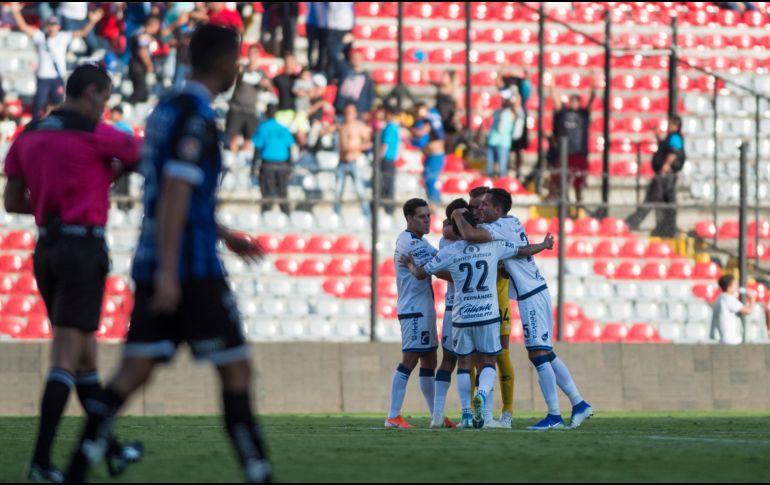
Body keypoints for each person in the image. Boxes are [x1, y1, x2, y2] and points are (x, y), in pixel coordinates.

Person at [65, 25, 272, 484]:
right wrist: (172, 275)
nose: (237, 68)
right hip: (188, 268)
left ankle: (75, 470)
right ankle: (260, 473)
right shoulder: (195, 116)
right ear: (223, 63)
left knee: (132, 373)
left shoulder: (163, 110)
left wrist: (224, 234)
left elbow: (170, 194)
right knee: (236, 371)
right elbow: (177, 190)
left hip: (159, 258)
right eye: (235, 59)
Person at [3, 64, 143, 482]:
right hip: (83, 249)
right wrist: (106, 179)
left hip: (46, 248)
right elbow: (142, 154)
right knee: (67, 356)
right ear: (92, 93)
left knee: (84, 360)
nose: (105, 107)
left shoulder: (29, 135)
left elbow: (12, 201)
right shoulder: (96, 134)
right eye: (104, 98)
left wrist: (54, 203)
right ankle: (42, 463)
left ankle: (113, 449)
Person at [452, 189, 593, 431]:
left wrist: (456, 215)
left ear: (498, 210)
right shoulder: (512, 221)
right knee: (546, 353)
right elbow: (513, 260)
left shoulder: (499, 226)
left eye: (485, 206)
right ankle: (579, 404)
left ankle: (554, 415)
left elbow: (469, 234)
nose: (481, 209)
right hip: (536, 291)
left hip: (530, 296)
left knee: (537, 354)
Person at [404, 203, 552, 429]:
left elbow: (423, 272)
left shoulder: (450, 250)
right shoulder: (493, 246)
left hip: (461, 316)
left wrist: (409, 265)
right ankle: (482, 394)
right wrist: (544, 244)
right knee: (489, 361)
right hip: (488, 315)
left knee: (463, 363)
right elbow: (522, 251)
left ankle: (465, 415)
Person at [385, 198, 438, 429]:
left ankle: (436, 416)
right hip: (414, 310)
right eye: (422, 216)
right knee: (411, 358)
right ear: (409, 218)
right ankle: (393, 416)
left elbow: (439, 258)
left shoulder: (421, 242)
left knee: (429, 360)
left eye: (428, 216)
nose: (427, 220)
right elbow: (438, 264)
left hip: (423, 308)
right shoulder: (409, 243)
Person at [466, 187, 515, 428]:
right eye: (472, 207)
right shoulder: (466, 232)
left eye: (480, 206)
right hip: (477, 306)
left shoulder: (497, 230)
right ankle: (481, 413)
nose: (477, 211)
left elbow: (508, 266)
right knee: (476, 359)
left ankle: (506, 413)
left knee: (501, 356)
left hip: (500, 301)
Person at [10, 3, 104, 120]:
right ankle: (36, 127)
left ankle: (56, 126)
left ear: (58, 27)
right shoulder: (40, 36)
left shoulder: (63, 37)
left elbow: (83, 32)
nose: (52, 27)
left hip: (57, 77)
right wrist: (15, 12)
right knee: (39, 105)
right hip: (43, 77)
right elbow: (24, 27)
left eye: (54, 25)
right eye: (50, 24)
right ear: (46, 26)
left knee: (59, 104)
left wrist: (92, 22)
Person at [626, 116, 686, 237]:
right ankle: (662, 228)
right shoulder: (671, 137)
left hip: (665, 177)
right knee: (660, 202)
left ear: (676, 125)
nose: (669, 126)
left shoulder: (675, 137)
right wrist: (657, 134)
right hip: (664, 176)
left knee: (653, 199)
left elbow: (674, 152)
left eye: (671, 124)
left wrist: (666, 166)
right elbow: (666, 148)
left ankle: (632, 224)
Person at [551, 77, 596, 204]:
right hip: (565, 154)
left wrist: (593, 81)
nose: (573, 103)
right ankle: (565, 204)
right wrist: (552, 83)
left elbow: (592, 97)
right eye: (572, 101)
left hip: (579, 153)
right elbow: (554, 98)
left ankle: (578, 204)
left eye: (576, 101)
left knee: (579, 183)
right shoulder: (563, 113)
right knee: (563, 181)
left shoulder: (583, 114)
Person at [227, 45, 273, 161]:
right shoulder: (242, 69)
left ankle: (244, 164)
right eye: (250, 53)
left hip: (251, 110)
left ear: (258, 56)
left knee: (249, 139)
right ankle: (233, 162)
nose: (251, 56)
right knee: (233, 137)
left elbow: (270, 90)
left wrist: (267, 85)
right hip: (236, 108)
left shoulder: (261, 74)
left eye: (254, 54)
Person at [253, 104, 296, 215]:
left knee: (267, 195)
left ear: (267, 113)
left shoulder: (262, 127)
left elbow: (257, 149)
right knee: (283, 194)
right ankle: (287, 217)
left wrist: (253, 166)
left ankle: (265, 218)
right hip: (282, 164)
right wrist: (290, 167)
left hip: (267, 165)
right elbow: (289, 149)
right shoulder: (284, 128)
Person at [335, 103, 372, 217]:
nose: (348, 115)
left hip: (354, 161)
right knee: (337, 190)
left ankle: (367, 214)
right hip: (342, 161)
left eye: (351, 112)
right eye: (346, 112)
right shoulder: (341, 126)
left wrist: (356, 148)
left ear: (355, 114)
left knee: (360, 190)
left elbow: (369, 142)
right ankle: (336, 213)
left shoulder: (360, 127)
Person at [411, 103, 446, 209]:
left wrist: (408, 128)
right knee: (428, 179)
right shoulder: (426, 120)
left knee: (431, 179)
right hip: (431, 156)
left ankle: (434, 205)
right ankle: (433, 203)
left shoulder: (428, 120)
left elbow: (420, 133)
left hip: (435, 156)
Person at [498, 68, 532, 178]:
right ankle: (507, 169)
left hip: (519, 122)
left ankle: (518, 170)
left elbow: (527, 83)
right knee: (507, 147)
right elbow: (499, 84)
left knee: (518, 149)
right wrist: (502, 69)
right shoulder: (507, 91)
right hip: (509, 122)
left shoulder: (522, 90)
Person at [711, 275, 756, 345]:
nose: (737, 286)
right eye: (735, 284)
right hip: (731, 340)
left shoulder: (720, 298)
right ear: (729, 287)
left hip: (724, 339)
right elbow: (749, 311)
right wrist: (752, 298)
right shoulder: (728, 298)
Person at [127, 14, 161, 105]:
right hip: (137, 68)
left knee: (143, 94)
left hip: (138, 67)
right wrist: (149, 65)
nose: (158, 28)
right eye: (157, 25)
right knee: (139, 93)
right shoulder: (143, 35)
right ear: (152, 24)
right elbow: (142, 52)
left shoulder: (143, 34)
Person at [333, 50, 375, 119]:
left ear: (362, 59)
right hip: (341, 109)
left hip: (359, 111)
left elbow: (370, 94)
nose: (356, 60)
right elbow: (334, 55)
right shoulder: (344, 71)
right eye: (354, 58)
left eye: (358, 58)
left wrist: (368, 110)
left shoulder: (367, 77)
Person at [486, 91, 515, 178]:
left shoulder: (509, 113)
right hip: (492, 141)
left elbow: (501, 128)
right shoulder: (497, 111)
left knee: (502, 170)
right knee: (490, 170)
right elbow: (484, 114)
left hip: (502, 144)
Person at [325, 2, 355, 83]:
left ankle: (346, 77)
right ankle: (331, 78)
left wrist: (352, 30)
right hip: (333, 28)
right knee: (332, 55)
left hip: (346, 28)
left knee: (345, 56)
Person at [379, 108, 401, 215]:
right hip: (391, 159)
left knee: (386, 184)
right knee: (389, 184)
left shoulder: (389, 128)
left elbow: (385, 144)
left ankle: (387, 209)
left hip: (386, 159)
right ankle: (389, 209)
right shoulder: (395, 127)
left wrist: (379, 157)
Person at [273, 53, 300, 127]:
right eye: (287, 61)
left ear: (295, 63)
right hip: (281, 112)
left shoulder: (299, 79)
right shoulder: (278, 78)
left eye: (291, 61)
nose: (289, 64)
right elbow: (270, 88)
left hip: (296, 112)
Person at [306, 2, 328, 72]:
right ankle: (310, 65)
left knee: (322, 47)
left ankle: (320, 67)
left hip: (323, 25)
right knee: (311, 45)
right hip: (311, 23)